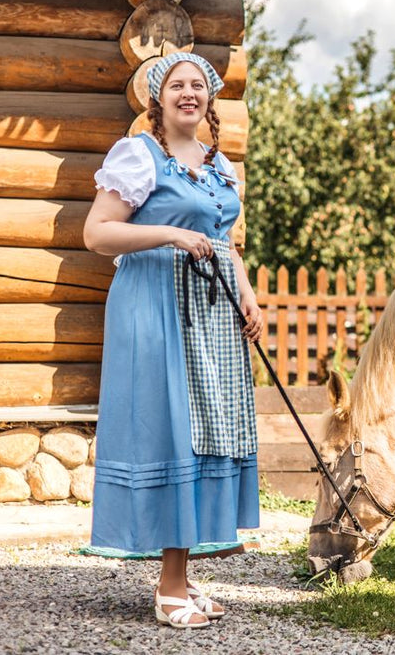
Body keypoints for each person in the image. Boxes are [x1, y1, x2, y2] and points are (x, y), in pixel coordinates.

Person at [83, 52, 263, 629]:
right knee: (171, 433)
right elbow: (97, 233)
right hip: (154, 308)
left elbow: (224, 241)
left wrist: (248, 294)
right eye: (176, 86)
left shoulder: (219, 164)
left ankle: (183, 576)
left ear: (209, 98)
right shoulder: (138, 156)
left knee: (207, 434)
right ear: (157, 99)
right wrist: (170, 235)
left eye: (198, 86)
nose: (189, 93)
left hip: (210, 315)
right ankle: (167, 588)